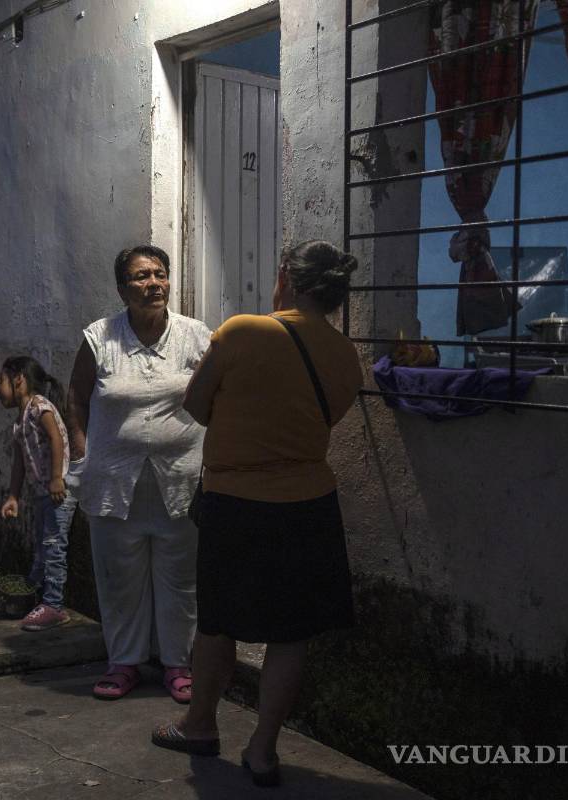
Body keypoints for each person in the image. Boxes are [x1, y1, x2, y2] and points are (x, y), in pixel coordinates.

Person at [150, 240, 363, 788]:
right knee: (291, 634)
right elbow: (326, 420)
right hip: (310, 506)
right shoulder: (345, 354)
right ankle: (264, 751)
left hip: (237, 504)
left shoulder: (243, 331)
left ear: (287, 277)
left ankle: (199, 725)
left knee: (218, 625)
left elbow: (196, 408)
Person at [66, 245, 211, 703]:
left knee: (180, 577)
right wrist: (81, 456)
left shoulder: (196, 337)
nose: (154, 284)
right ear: (122, 288)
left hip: (180, 479)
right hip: (113, 480)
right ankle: (124, 662)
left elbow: (216, 397)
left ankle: (177, 664)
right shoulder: (99, 338)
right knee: (119, 576)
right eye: (142, 276)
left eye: (160, 274)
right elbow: (76, 398)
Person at [0, 355, 75, 631]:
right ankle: (33, 595)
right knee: (43, 545)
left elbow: (55, 437)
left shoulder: (40, 407)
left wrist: (57, 478)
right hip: (42, 493)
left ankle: (54, 605)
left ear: (19, 380)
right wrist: (13, 497)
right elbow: (19, 462)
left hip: (57, 491)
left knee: (54, 545)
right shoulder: (20, 420)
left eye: (2, 380)